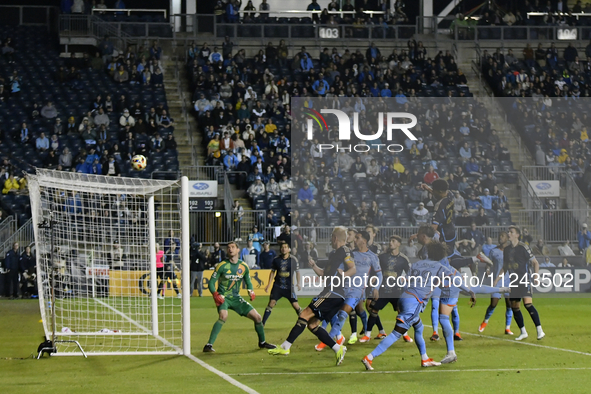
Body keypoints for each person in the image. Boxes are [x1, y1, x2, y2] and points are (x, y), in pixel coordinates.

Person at [361, 242, 473, 370]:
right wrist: (470, 291)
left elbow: (405, 281)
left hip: (405, 297)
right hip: (414, 303)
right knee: (396, 334)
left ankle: (425, 358)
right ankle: (369, 357)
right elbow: (455, 280)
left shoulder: (416, 264)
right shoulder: (440, 266)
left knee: (419, 327)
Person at [268, 226, 353, 365]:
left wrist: (343, 275)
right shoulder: (334, 255)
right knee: (312, 325)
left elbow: (352, 268)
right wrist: (313, 266)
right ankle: (338, 348)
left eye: (331, 237)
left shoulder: (344, 250)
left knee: (304, 314)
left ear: (335, 238)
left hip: (333, 292)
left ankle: (286, 346)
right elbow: (323, 274)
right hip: (333, 293)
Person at [315, 230, 382, 350]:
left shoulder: (372, 257)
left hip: (357, 290)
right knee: (332, 311)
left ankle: (327, 340)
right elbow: (340, 268)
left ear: (364, 241)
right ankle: (337, 337)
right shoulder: (350, 254)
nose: (354, 240)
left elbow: (379, 275)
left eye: (357, 238)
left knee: (343, 313)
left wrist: (376, 288)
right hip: (343, 287)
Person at [203, 242, 276, 352]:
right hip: (223, 297)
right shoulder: (221, 265)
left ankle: (262, 342)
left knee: (258, 318)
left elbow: (248, 281)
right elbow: (211, 283)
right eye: (228, 248)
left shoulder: (244, 266)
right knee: (223, 316)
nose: (230, 249)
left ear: (238, 250)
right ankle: (208, 345)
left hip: (236, 298)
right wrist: (215, 294)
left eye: (233, 247)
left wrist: (250, 291)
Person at [495, 225, 545, 341]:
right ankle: (523, 332)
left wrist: (536, 276)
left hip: (524, 280)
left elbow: (535, 263)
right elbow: (505, 267)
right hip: (514, 281)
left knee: (528, 304)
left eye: (511, 232)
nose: (509, 234)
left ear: (517, 235)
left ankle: (539, 330)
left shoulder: (523, 247)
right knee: (515, 307)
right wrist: (497, 279)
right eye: (508, 232)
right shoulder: (507, 250)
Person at [360, 235, 412, 343]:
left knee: (401, 312)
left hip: (396, 290)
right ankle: (367, 335)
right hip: (382, 290)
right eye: (390, 240)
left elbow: (409, 274)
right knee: (373, 310)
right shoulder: (382, 257)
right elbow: (375, 270)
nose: (390, 243)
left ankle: (405, 334)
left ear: (399, 244)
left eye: (393, 241)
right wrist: (373, 280)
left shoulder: (403, 259)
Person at [478, 232, 514, 335]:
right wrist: (488, 269)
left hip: (509, 280)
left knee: (509, 304)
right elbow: (489, 263)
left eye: (502, 236)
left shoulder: (511, 250)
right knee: (493, 304)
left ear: (507, 238)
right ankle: (485, 321)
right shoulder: (493, 251)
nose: (500, 237)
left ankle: (507, 328)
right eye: (499, 236)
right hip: (497, 281)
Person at [262, 243, 302, 325]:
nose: (284, 249)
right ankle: (262, 323)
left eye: (285, 247)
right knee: (271, 303)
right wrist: (268, 285)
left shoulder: (293, 260)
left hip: (289, 287)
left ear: (289, 249)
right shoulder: (276, 259)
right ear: (280, 249)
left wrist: (298, 283)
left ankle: (304, 321)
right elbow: (272, 272)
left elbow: (297, 272)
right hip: (278, 286)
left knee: (296, 305)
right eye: (282, 247)